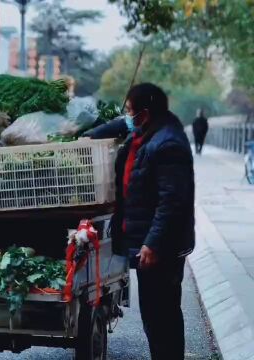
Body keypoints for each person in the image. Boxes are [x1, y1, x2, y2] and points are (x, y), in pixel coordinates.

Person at [87, 83, 195, 360]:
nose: (128, 118)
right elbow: (112, 130)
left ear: (145, 114)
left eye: (131, 112)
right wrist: (86, 136)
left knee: (162, 316)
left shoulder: (167, 144)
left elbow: (171, 202)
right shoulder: (149, 133)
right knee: (155, 315)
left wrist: (153, 244)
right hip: (149, 243)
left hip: (162, 248)